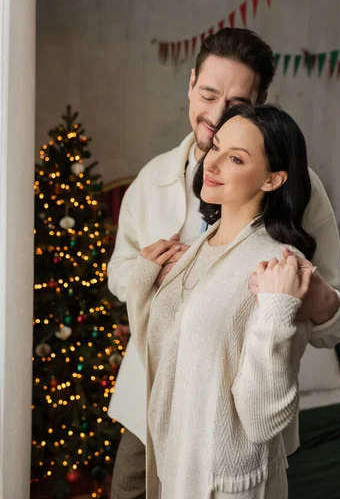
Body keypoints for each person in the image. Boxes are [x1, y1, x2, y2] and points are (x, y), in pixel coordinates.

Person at [108, 28, 340, 498]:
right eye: (208, 93)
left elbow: (330, 322)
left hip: (228, 426)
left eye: (237, 100)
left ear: (260, 101)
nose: (216, 113)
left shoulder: (299, 194)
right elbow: (121, 273)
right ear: (191, 83)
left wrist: (305, 299)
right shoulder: (152, 179)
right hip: (150, 397)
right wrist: (150, 272)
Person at [126, 103, 328, 498]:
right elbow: (159, 356)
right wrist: (142, 281)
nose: (212, 164)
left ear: (272, 179)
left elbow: (263, 420)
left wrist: (276, 312)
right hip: (177, 469)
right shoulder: (199, 249)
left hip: (225, 485)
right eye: (215, 147)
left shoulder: (280, 267)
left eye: (235, 158)